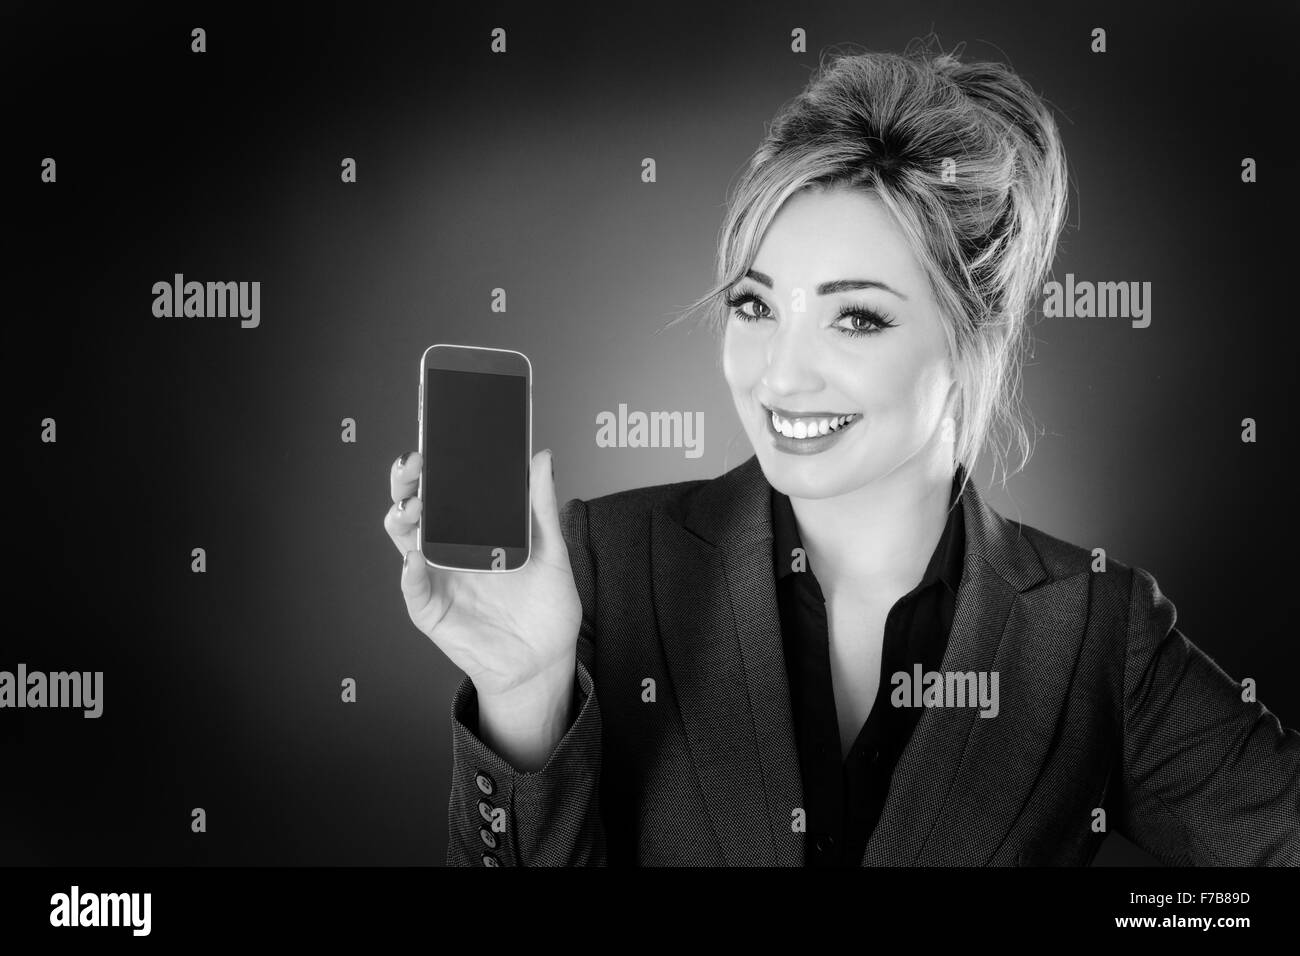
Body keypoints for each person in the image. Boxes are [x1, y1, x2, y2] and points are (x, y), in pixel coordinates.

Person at [384, 43, 1300, 866]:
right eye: (755, 305)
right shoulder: (607, 569)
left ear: (973, 338)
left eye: (856, 316)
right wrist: (525, 692)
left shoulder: (1097, 631)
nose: (782, 374)